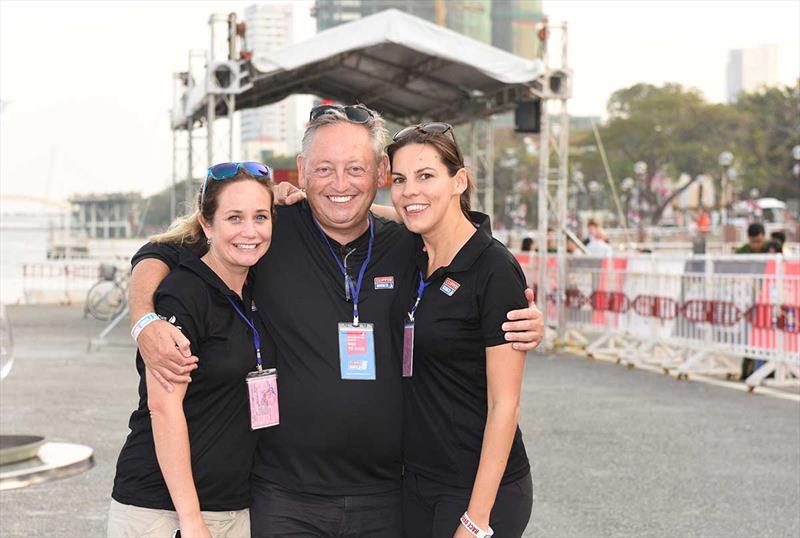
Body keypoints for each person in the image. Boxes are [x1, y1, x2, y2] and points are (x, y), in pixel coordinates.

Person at [128, 104, 544, 537]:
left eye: (355, 169)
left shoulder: (408, 243)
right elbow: (159, 252)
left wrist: (517, 316)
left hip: (388, 496)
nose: (341, 184)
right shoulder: (266, 230)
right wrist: (144, 319)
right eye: (324, 169)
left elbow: (471, 264)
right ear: (302, 171)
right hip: (283, 495)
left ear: (379, 172)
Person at [109, 162, 275, 538]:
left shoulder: (251, 289)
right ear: (206, 225)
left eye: (260, 217)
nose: (250, 231)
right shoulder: (183, 294)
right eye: (234, 218)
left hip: (232, 506)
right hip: (165, 512)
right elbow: (164, 409)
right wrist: (190, 519)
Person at [387, 123, 532, 537]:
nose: (410, 191)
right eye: (399, 180)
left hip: (480, 490)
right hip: (416, 482)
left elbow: (505, 404)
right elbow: (381, 213)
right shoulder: (413, 251)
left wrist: (476, 518)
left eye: (426, 176)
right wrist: (304, 197)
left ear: (459, 181)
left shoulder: (494, 269)